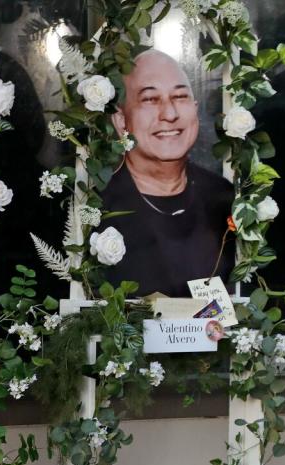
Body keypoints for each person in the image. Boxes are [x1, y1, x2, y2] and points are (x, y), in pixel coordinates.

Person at [101, 49, 234, 297]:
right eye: (150, 99)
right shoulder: (100, 206)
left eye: (180, 97)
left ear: (195, 110)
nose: (170, 114)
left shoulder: (223, 197)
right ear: (121, 121)